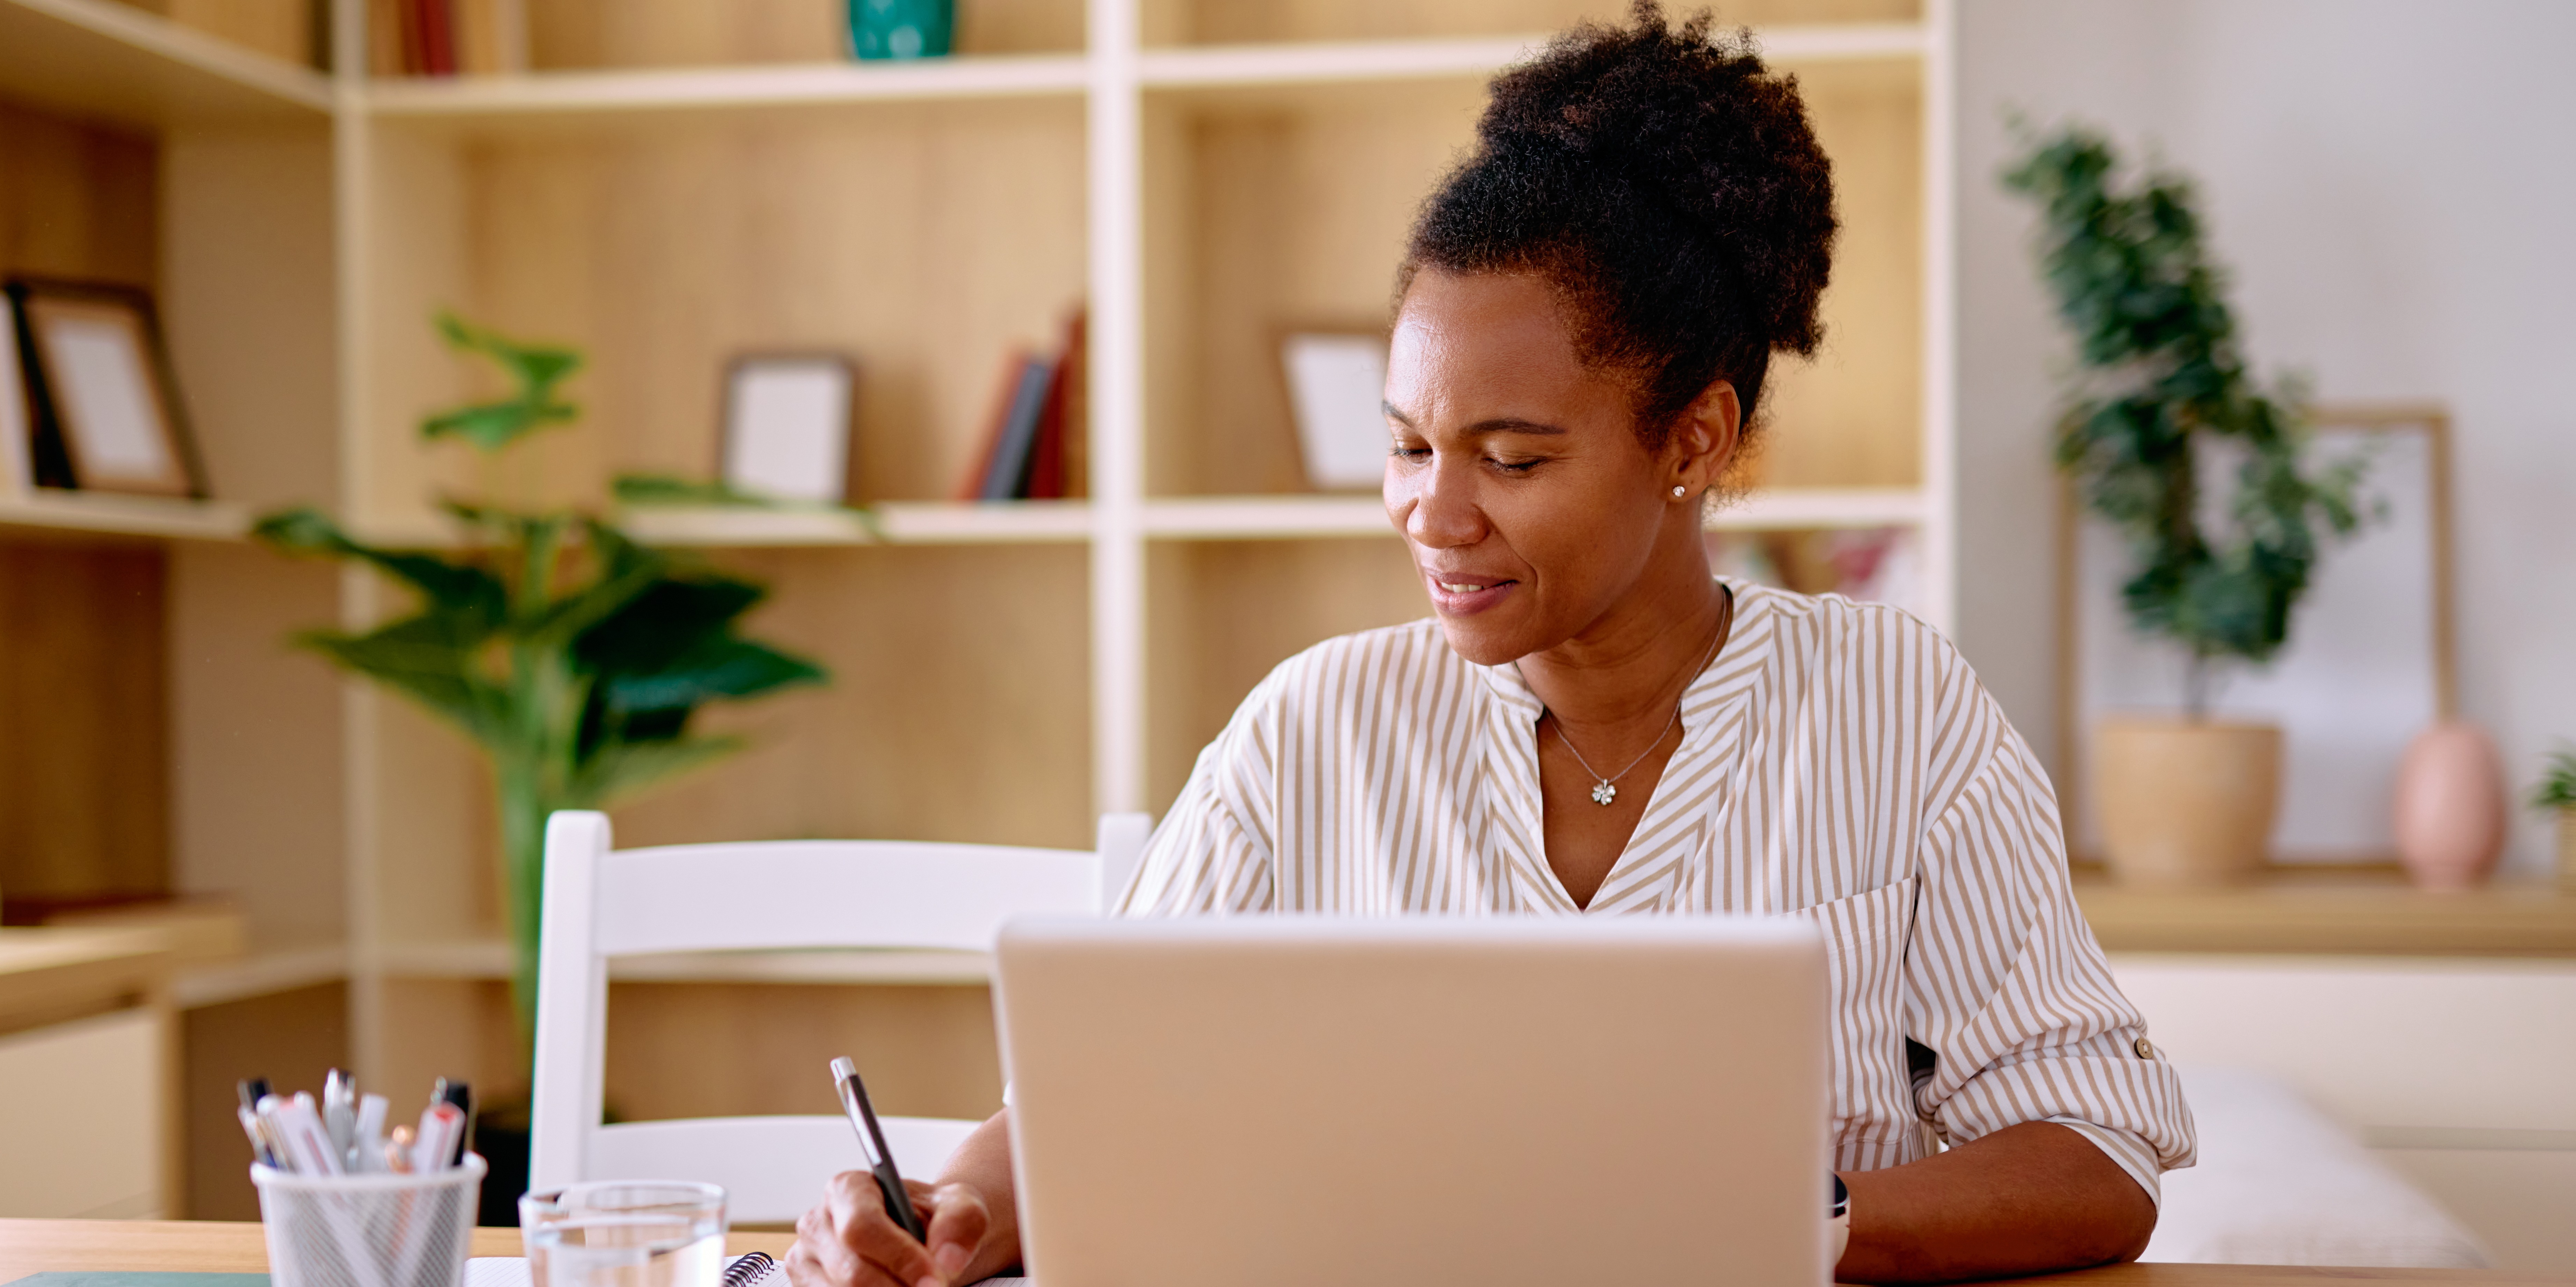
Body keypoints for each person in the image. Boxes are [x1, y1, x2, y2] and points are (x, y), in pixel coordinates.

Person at [786, 6, 2194, 1283]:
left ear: (1692, 437)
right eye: (1404, 445)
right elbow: (1090, 1115)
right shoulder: (1315, 727)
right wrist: (936, 1210)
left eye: (1511, 458)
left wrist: (1802, 1216)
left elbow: (2093, 1154)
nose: (1430, 512)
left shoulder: (1893, 707)